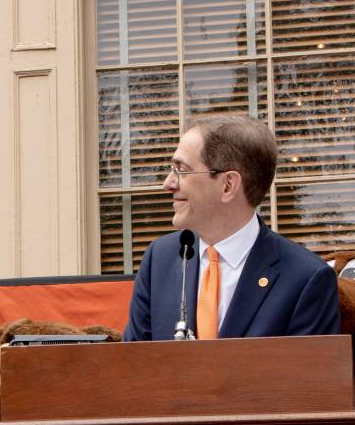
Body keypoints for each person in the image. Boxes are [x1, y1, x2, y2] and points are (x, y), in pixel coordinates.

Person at [123, 115, 340, 342]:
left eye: (182, 170)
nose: (168, 183)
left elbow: (307, 376)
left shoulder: (306, 279)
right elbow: (133, 366)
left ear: (228, 185)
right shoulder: (160, 259)